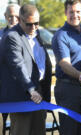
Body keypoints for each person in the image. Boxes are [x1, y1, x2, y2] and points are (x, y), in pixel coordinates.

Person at [0, 4, 52, 135]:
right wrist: (31, 89)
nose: (33, 27)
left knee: (39, 131)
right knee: (21, 132)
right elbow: (18, 65)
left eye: (36, 23)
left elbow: (42, 62)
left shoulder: (37, 33)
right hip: (21, 94)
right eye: (29, 24)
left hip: (39, 92)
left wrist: (43, 92)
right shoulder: (12, 36)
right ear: (20, 20)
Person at [52, 0, 81, 135]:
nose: (75, 15)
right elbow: (64, 64)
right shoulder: (61, 35)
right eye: (71, 12)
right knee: (70, 131)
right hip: (68, 89)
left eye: (78, 11)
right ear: (65, 13)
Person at [0, 4, 20, 135]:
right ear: (5, 16)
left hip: (19, 87)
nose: (13, 19)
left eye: (16, 16)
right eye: (10, 16)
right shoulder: (0, 34)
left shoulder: (26, 34)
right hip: (2, 85)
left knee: (17, 125)